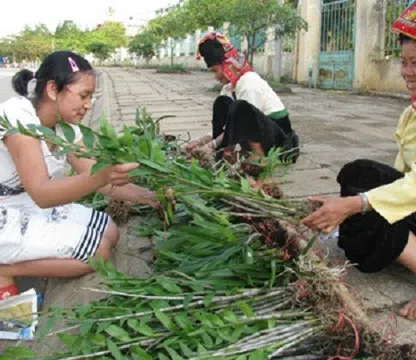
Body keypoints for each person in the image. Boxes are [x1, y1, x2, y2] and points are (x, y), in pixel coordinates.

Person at [302, 0, 416, 320]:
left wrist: (355, 205)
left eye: (415, 63)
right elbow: (400, 177)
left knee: (363, 183)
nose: (406, 73)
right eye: (403, 62)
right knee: (359, 192)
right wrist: (354, 209)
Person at [0, 51, 158, 299]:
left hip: (23, 204)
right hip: (7, 211)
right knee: (97, 255)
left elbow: (95, 174)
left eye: (91, 97)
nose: (88, 104)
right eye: (83, 96)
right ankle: (5, 270)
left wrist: (150, 197)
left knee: (110, 231)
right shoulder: (19, 121)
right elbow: (42, 193)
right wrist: (102, 176)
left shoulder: (65, 128)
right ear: (53, 90)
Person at [183, 32, 299, 162]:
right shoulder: (228, 87)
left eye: (215, 70)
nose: (215, 77)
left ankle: (257, 158)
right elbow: (227, 127)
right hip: (258, 134)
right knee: (221, 103)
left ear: (227, 65)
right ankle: (222, 153)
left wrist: (211, 145)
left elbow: (248, 123)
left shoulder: (249, 82)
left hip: (278, 141)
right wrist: (200, 142)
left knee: (240, 107)